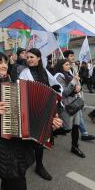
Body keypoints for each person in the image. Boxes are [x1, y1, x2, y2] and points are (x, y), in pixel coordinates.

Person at [0, 51, 62, 190]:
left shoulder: (17, 85)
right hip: (2, 149)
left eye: (6, 62)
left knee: (9, 186)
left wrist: (51, 124)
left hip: (22, 146)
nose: (4, 65)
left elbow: (33, 113)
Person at [18, 48, 60, 181]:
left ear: (38, 58)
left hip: (44, 108)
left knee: (40, 138)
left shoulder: (45, 71)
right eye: (28, 57)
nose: (29, 59)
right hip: (29, 108)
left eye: (32, 57)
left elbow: (56, 86)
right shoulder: (24, 73)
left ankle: (39, 165)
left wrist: (56, 94)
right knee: (27, 137)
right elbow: (19, 89)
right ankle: (24, 162)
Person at [54, 57, 86, 158]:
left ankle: (75, 147)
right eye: (66, 65)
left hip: (74, 104)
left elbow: (74, 89)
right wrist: (73, 82)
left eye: (69, 64)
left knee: (76, 126)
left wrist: (78, 88)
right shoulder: (58, 76)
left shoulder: (69, 74)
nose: (69, 66)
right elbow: (63, 93)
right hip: (65, 105)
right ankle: (50, 133)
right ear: (61, 66)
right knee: (67, 128)